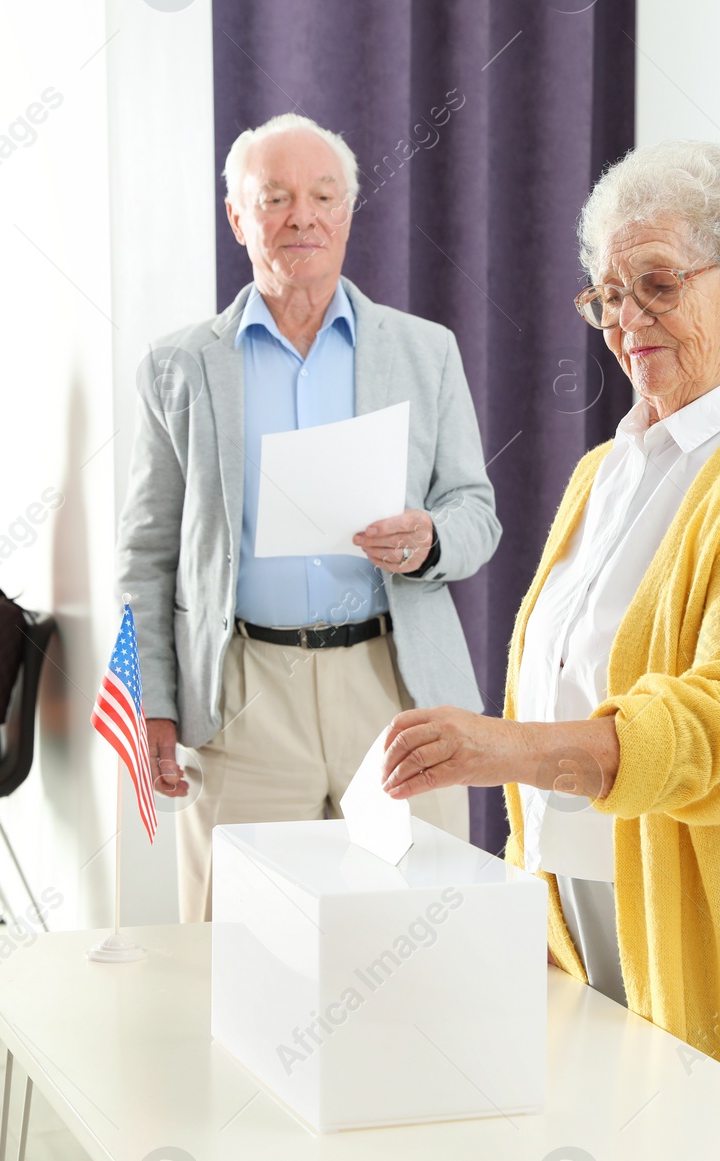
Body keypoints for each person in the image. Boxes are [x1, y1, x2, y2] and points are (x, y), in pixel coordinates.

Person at [377, 141, 720, 1159]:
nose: (628, 321)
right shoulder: (603, 473)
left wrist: (501, 746)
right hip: (590, 907)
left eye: (658, 285)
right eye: (607, 297)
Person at [119, 113, 500, 922]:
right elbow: (146, 552)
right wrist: (151, 700)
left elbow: (477, 512)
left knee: (419, 936)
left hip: (394, 687)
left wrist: (430, 539)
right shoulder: (178, 366)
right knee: (243, 954)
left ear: (348, 213)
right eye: (277, 198)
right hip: (246, 694)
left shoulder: (424, 351)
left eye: (324, 196)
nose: (303, 216)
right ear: (237, 218)